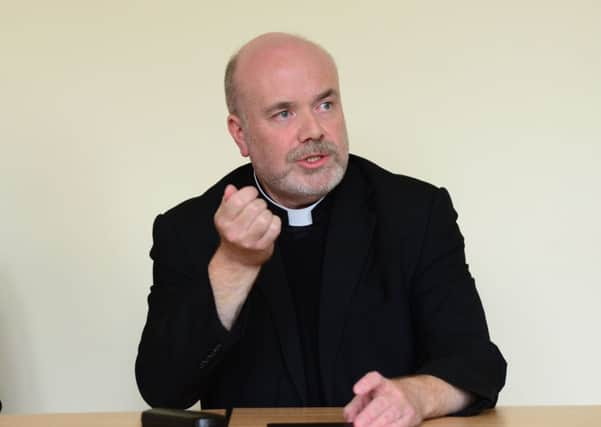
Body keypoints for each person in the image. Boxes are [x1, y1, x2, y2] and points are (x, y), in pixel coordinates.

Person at [135, 33, 506, 427]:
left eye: (325, 104)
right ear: (240, 133)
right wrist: (233, 266)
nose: (313, 130)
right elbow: (163, 388)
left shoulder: (416, 212)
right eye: (283, 113)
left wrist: (419, 396)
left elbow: (478, 364)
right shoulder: (187, 229)